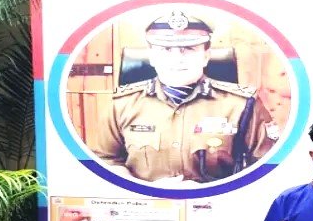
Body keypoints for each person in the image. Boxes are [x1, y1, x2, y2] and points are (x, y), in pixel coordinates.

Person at [91, 10, 280, 183]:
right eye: (166, 49)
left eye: (189, 49)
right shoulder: (121, 105)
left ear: (206, 56)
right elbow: (106, 160)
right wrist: (144, 189)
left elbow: (267, 166)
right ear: (152, 57)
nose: (177, 59)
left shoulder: (243, 105)